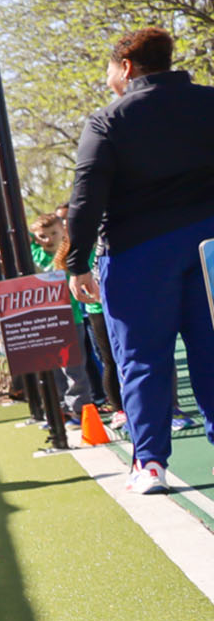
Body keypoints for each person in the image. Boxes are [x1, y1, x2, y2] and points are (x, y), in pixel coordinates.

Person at [66, 26, 214, 494]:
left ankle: (149, 463)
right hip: (210, 243)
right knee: (212, 351)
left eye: (110, 70)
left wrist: (77, 264)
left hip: (138, 253)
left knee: (142, 360)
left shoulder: (107, 121)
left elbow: (85, 198)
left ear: (126, 68)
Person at [29, 213, 96, 429]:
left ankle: (79, 410)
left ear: (63, 232)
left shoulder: (69, 255)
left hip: (70, 320)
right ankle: (58, 412)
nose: (48, 238)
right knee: (52, 369)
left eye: (53, 233)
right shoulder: (33, 255)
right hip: (45, 323)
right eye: (43, 235)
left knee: (74, 369)